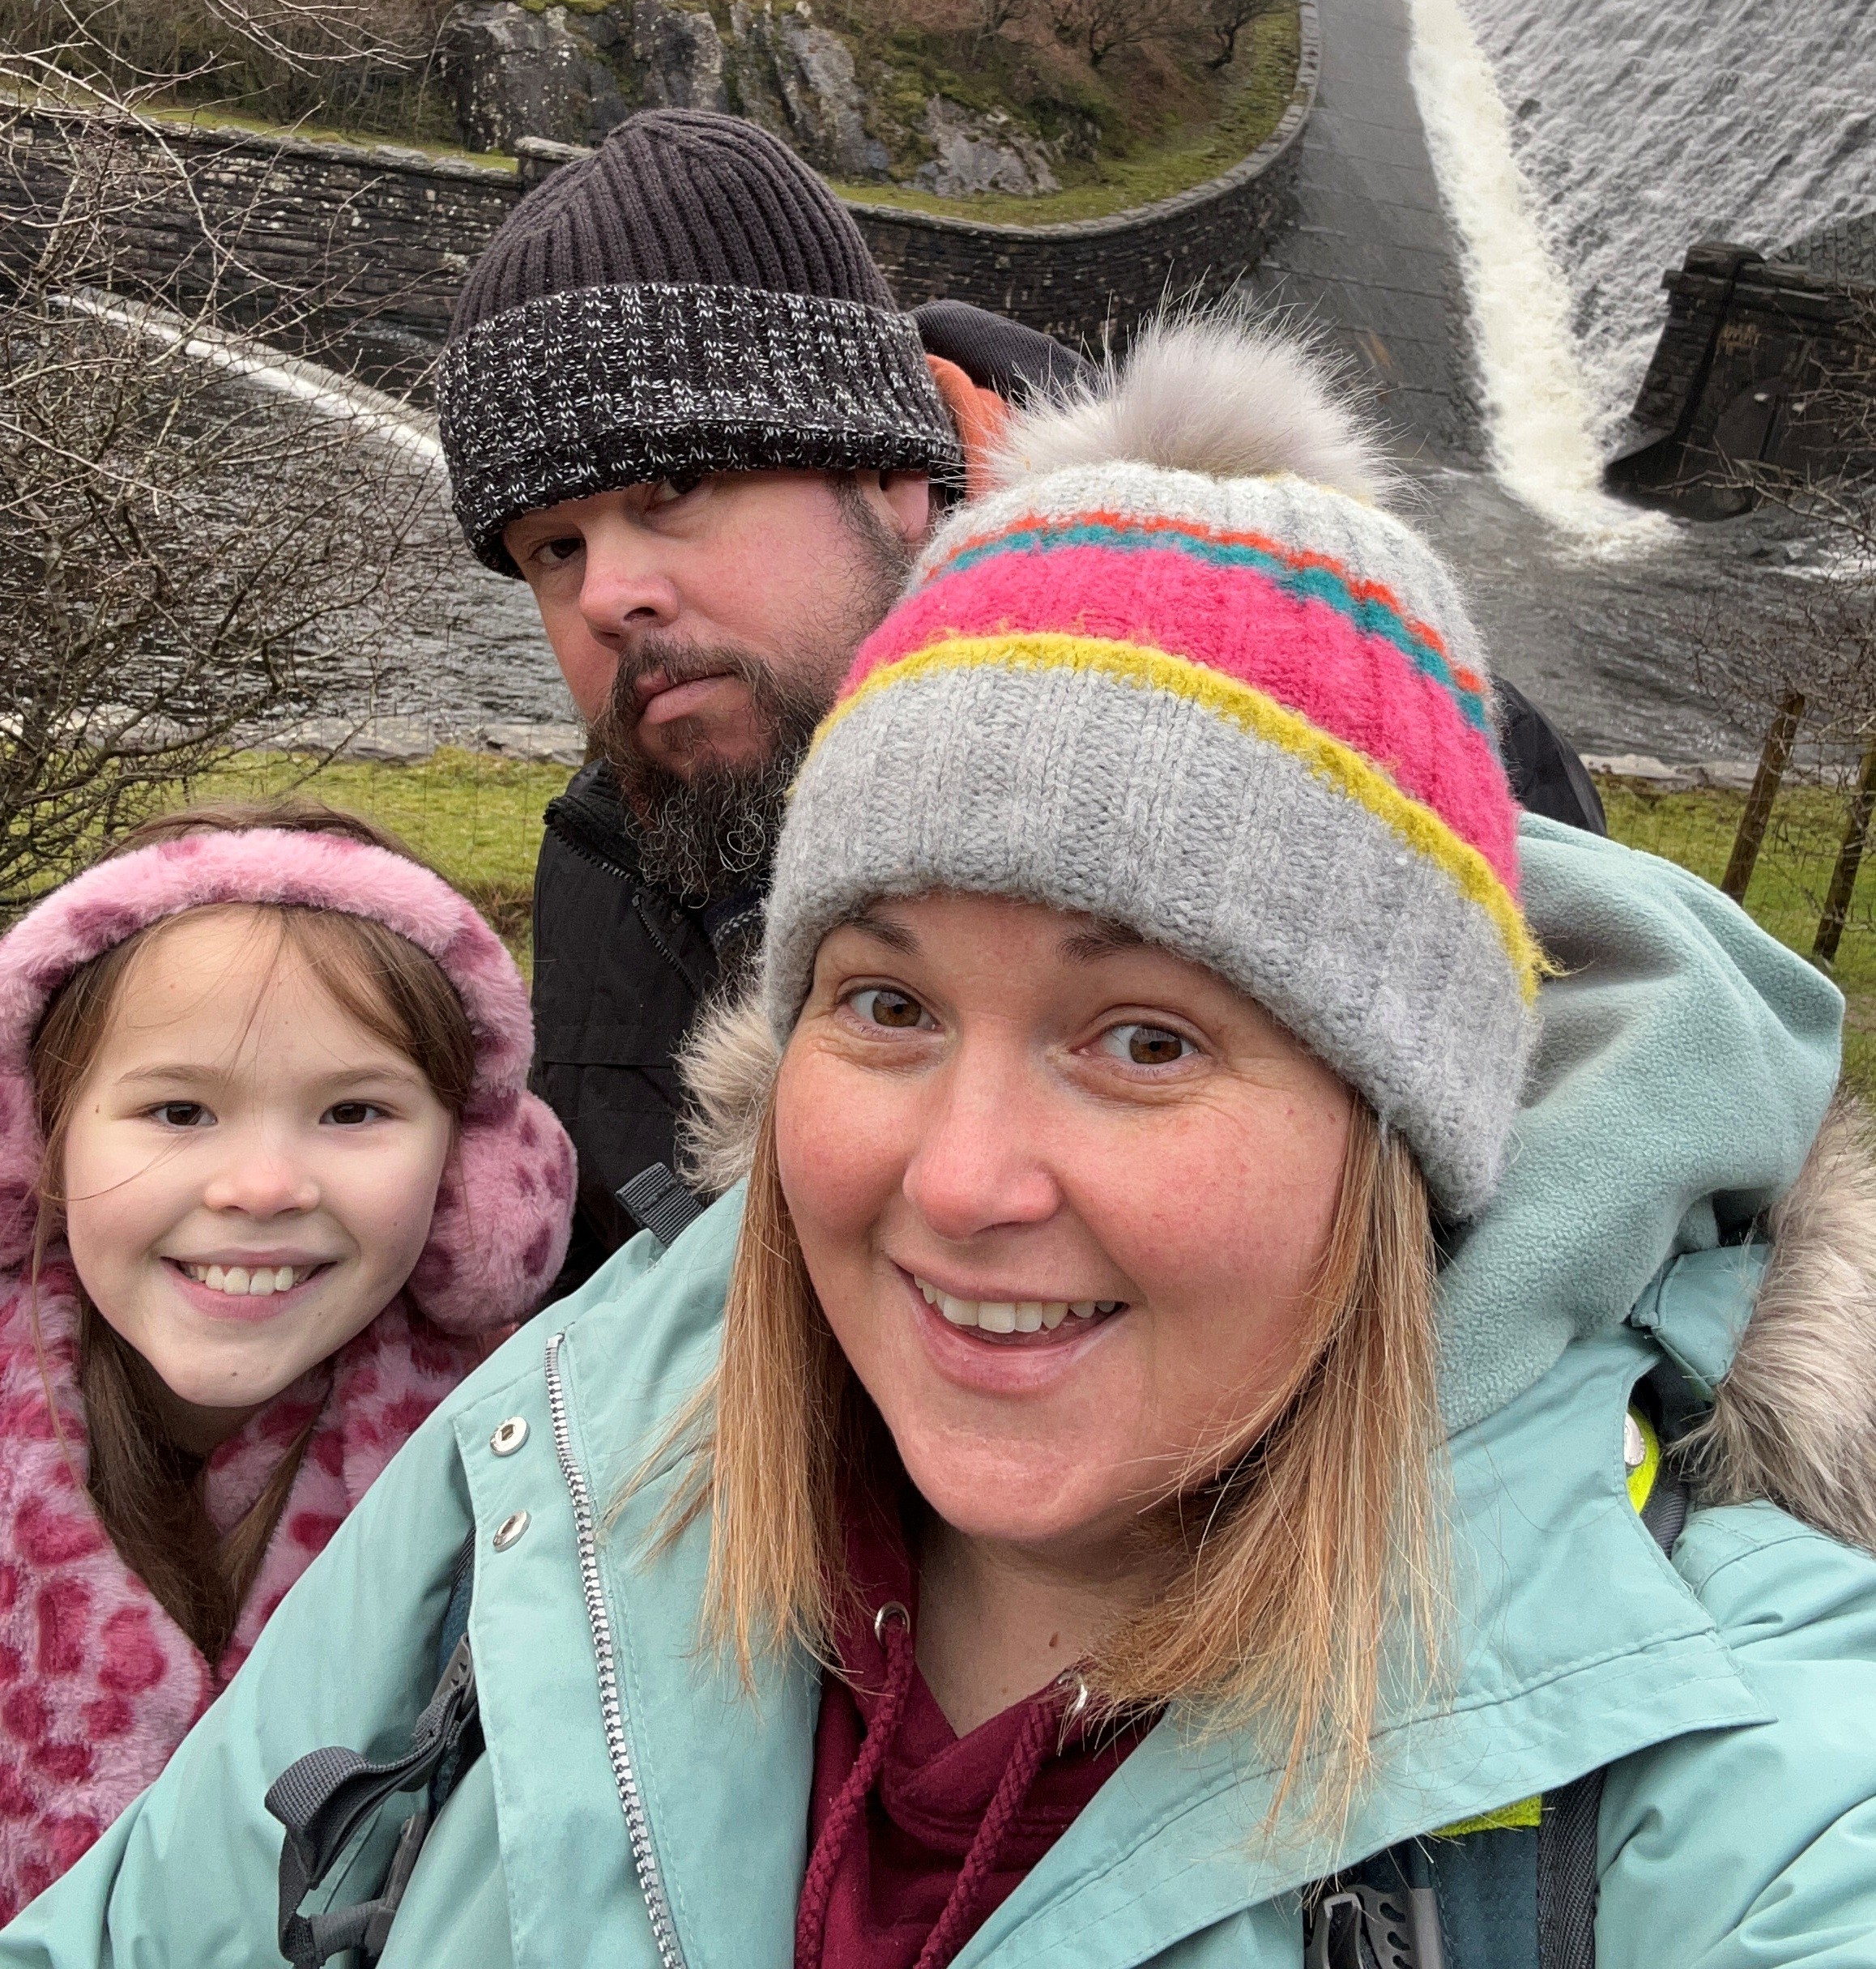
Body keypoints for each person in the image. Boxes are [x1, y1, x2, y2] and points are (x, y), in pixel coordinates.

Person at [6, 319, 1868, 1969]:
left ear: (1403, 1129)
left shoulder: (1727, 1780)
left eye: (1144, 1037)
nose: (962, 1181)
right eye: (888, 1002)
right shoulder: (559, 1451)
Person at [437, 109, 1606, 1281]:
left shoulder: (1382, 751)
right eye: (553, 550)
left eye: (676, 489)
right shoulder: (604, 866)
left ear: (890, 476)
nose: (608, 598)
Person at [0, 802, 574, 1924]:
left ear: (473, 1180)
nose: (263, 1188)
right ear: (41, 1148)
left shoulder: (541, 1498)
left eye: (353, 1111)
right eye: (179, 1110)